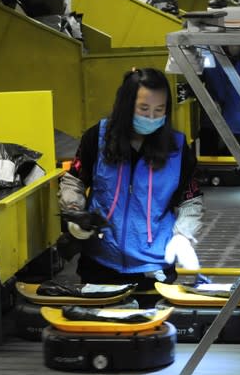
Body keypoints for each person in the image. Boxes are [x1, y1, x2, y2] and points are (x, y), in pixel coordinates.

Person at [58, 67, 203, 288]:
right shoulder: (96, 139)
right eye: (144, 109)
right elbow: (74, 180)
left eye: (159, 110)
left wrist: (183, 236)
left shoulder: (178, 149)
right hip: (100, 264)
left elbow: (190, 200)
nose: (152, 117)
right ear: (126, 107)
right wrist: (75, 213)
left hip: (154, 268)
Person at [199, 45, 240, 156]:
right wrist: (206, 100)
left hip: (238, 128)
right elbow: (191, 80)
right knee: (208, 170)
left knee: (235, 170)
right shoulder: (207, 50)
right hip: (211, 126)